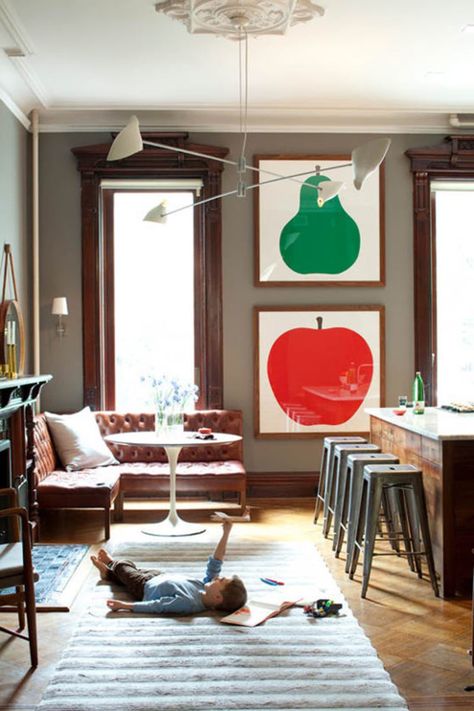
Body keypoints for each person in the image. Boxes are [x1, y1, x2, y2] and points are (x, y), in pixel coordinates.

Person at [90, 520, 247, 615]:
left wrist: (125, 606)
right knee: (126, 576)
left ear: (218, 597)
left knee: (125, 566)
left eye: (221, 580)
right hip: (156, 576)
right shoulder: (204, 586)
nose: (217, 577)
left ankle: (111, 563)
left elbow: (157, 606)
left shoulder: (188, 603)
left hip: (143, 587)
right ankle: (108, 575)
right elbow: (216, 561)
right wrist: (226, 533)